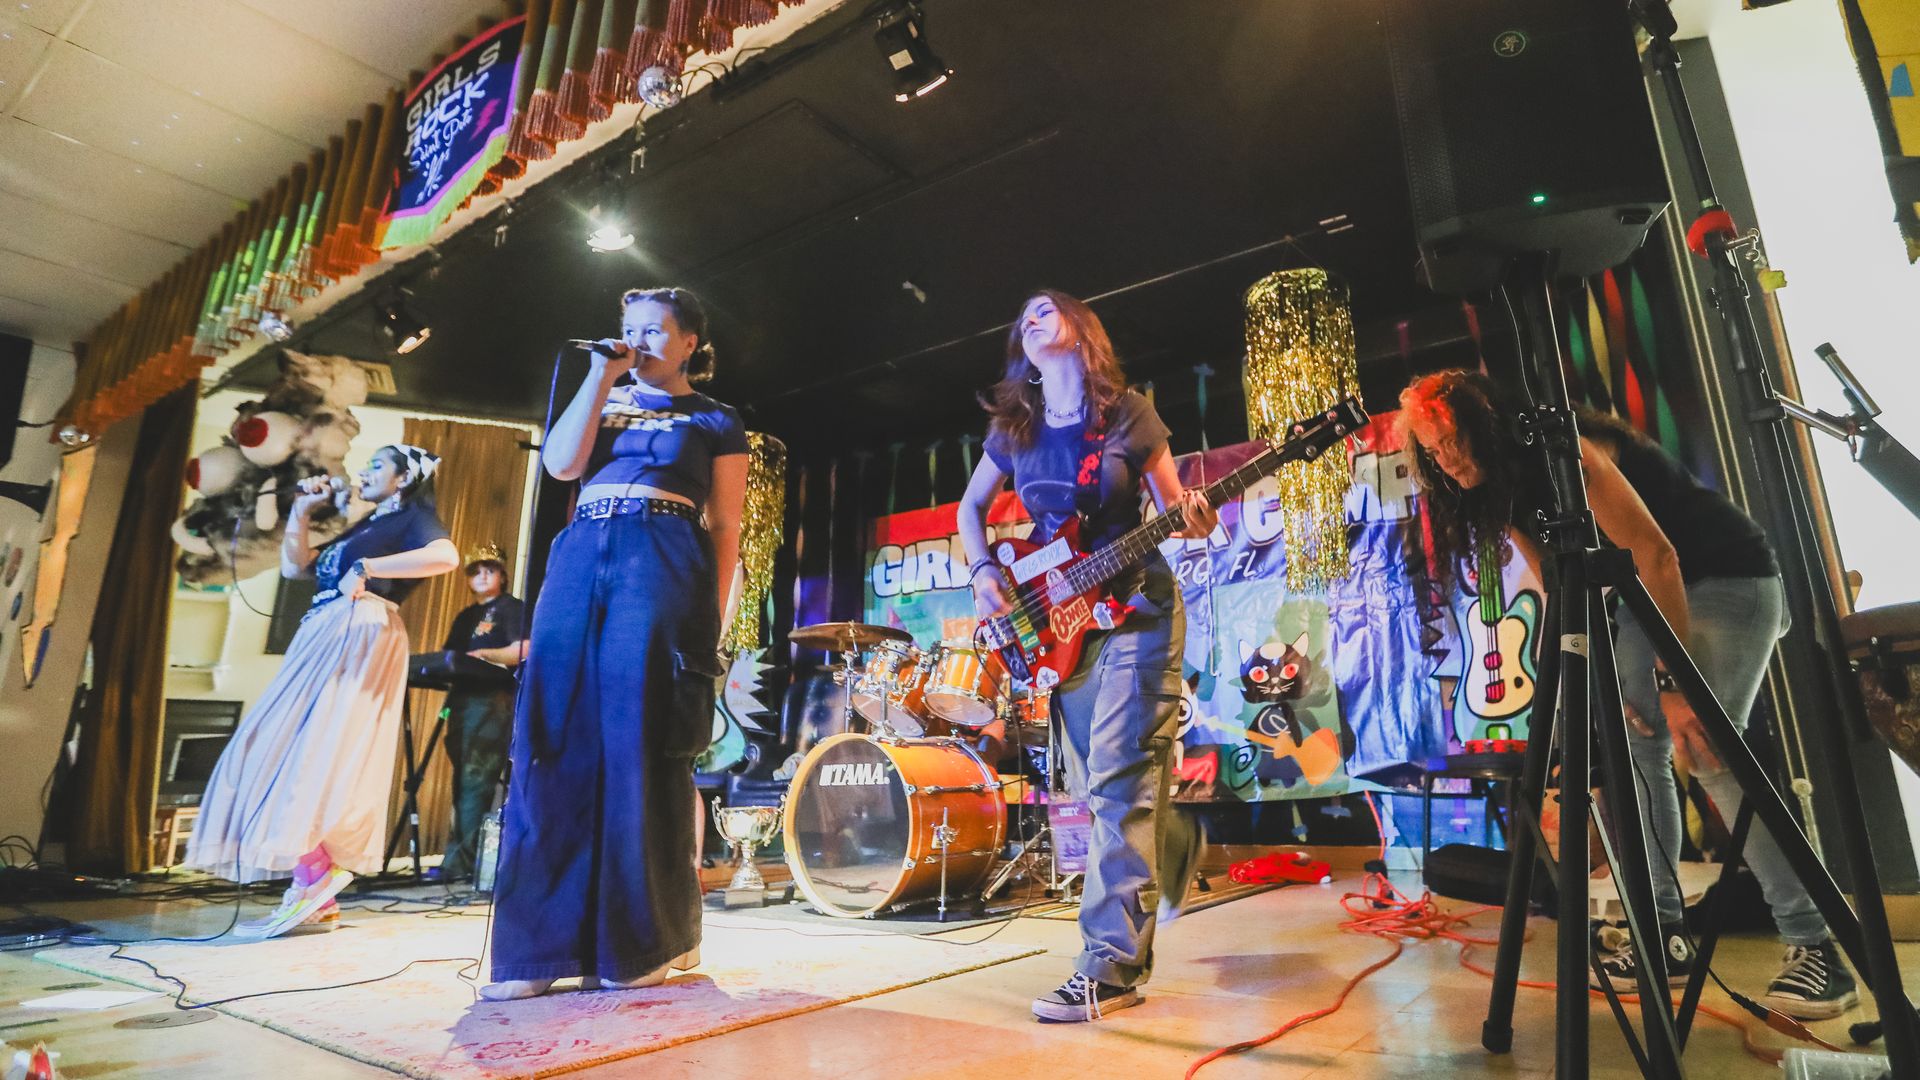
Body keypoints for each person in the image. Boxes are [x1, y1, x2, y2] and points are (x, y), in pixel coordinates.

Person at [1398, 369, 1857, 1020]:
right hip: (1648, 596)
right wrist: (1583, 686)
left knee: (1705, 748)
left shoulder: (1566, 455)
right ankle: (1662, 935)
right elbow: (1558, 587)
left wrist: (1674, 681)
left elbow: (1657, 554)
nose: (1446, 460)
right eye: (1433, 451)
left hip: (1724, 578)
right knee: (1635, 748)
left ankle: (1818, 949)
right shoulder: (1503, 494)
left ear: (1487, 424)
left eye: (1452, 441)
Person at [956, 289, 1215, 1022]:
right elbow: (970, 509)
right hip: (1060, 621)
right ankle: (1173, 843)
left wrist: (1195, 518)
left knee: (1121, 777)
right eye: (1023, 317)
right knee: (1096, 784)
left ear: (1079, 327)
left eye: (1045, 309)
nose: (1030, 319)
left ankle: (1109, 967)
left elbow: (1177, 511)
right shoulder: (1016, 426)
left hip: (1136, 607)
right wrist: (983, 571)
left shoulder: (1129, 415)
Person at [484, 287, 747, 1000]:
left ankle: (639, 942)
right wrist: (600, 375)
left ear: (689, 342)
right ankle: (537, 951)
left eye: (655, 330)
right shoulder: (602, 394)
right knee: (553, 736)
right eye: (630, 329)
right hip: (583, 550)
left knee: (639, 737)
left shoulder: (716, 417)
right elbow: (562, 466)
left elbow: (725, 525)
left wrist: (713, 615)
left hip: (663, 554)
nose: (640, 340)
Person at [185, 444, 459, 940]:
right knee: (285, 751)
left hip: (358, 631)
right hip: (327, 629)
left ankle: (314, 879)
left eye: (377, 465)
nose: (365, 471)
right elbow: (296, 568)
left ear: (403, 479)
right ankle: (315, 889)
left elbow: (446, 556)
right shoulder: (369, 523)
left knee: (304, 753)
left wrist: (368, 568)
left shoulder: (414, 518)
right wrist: (303, 510)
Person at [435, 544, 527, 884]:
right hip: (461, 700)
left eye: (490, 569)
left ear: (503, 575)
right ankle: (458, 859)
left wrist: (485, 654)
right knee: (462, 779)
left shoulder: (511, 608)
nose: (483, 575)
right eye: (475, 571)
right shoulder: (465, 616)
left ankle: (459, 865)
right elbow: (449, 657)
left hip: (492, 700)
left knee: (476, 778)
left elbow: (524, 649)